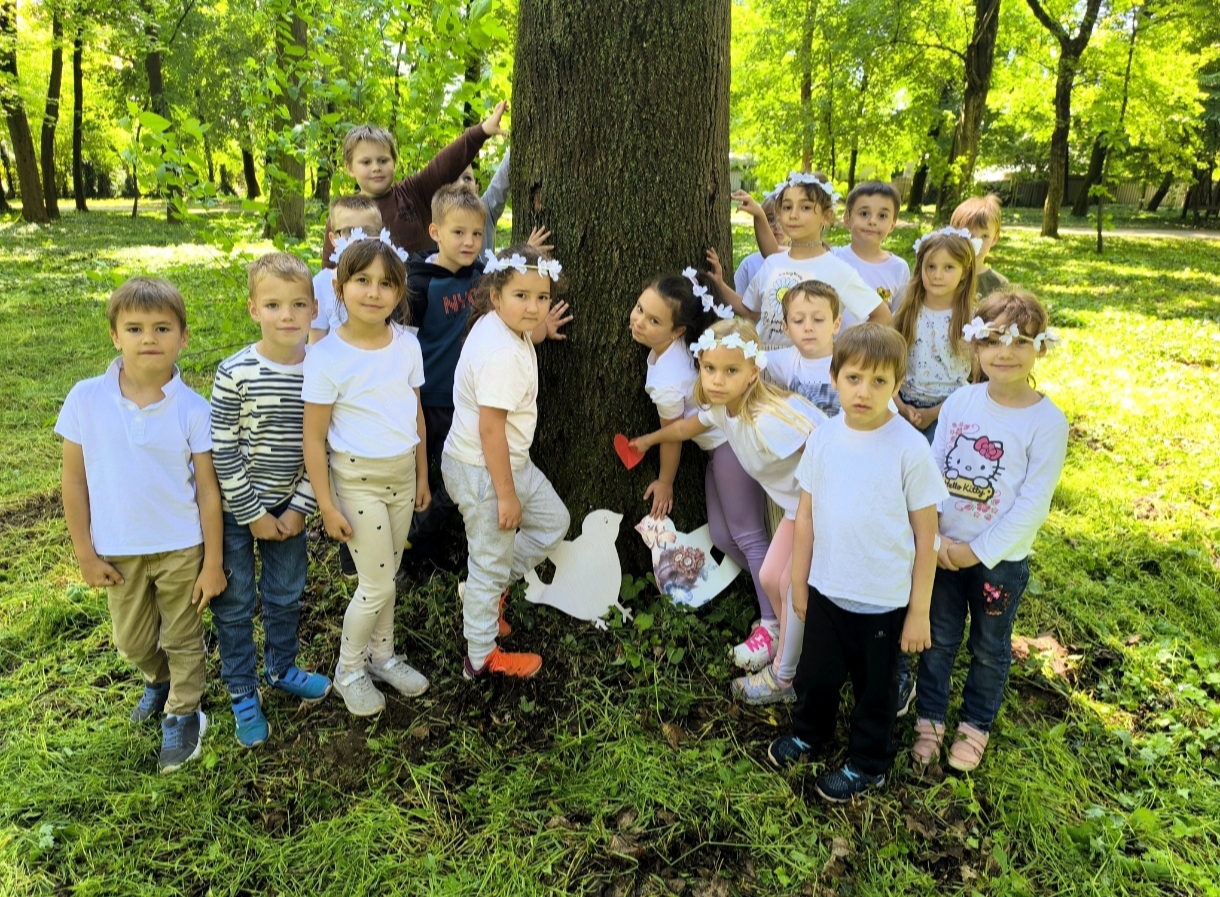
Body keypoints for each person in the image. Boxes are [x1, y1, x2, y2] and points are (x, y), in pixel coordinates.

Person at [766, 324, 948, 803]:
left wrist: (919, 611)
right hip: (827, 588)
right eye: (853, 378)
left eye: (879, 381)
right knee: (816, 676)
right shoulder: (824, 438)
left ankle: (869, 763)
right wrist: (800, 582)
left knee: (875, 691)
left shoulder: (910, 448)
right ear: (834, 377)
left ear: (897, 384)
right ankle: (809, 733)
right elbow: (805, 516)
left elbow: (927, 536)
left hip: (882, 600)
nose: (864, 392)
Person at [57, 277, 226, 773]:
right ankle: (159, 680)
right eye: (134, 328)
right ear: (115, 336)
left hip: (181, 547)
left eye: (162, 328)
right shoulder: (85, 399)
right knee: (130, 640)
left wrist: (212, 562)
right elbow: (74, 482)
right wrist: (85, 553)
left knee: (183, 636)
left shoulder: (194, 409)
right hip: (118, 549)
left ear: (183, 337)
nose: (148, 338)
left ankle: (184, 713)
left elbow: (208, 491)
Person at [629, 319, 824, 703]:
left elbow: (823, 452)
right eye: (709, 368)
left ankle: (784, 678)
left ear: (753, 372)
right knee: (770, 577)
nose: (717, 380)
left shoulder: (767, 420)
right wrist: (649, 440)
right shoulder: (724, 411)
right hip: (795, 510)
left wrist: (824, 510)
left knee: (788, 585)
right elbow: (684, 429)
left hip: (819, 509)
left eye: (730, 371)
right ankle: (790, 643)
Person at [914, 288, 1067, 772]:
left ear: (1040, 349)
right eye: (995, 340)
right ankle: (929, 719)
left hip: (998, 563)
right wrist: (937, 539)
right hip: (943, 553)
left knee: (988, 647)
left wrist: (975, 552)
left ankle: (975, 724)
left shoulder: (1047, 422)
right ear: (975, 344)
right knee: (938, 638)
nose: (1006, 352)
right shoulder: (960, 402)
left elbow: (1031, 506)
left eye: (1021, 342)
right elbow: (932, 471)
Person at [302, 238, 432, 717]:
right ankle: (349, 669)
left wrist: (422, 476)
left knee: (386, 577)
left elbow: (416, 415)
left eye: (386, 283)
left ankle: (382, 657)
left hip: (402, 475)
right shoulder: (326, 356)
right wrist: (326, 505)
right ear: (340, 287)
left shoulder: (407, 345)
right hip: (357, 482)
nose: (374, 292)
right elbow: (313, 438)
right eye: (362, 280)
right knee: (375, 585)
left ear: (399, 292)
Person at [209, 253, 333, 748]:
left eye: (298, 304)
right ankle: (242, 690)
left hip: (290, 509)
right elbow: (222, 451)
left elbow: (324, 445)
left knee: (285, 594)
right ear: (253, 309)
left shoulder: (322, 370)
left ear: (314, 309)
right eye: (274, 305)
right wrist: (253, 514)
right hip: (236, 512)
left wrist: (301, 507)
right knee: (235, 602)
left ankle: (281, 668)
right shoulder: (234, 372)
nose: (287, 315)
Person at [406, 186, 572, 554]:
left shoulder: (482, 272)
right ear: (435, 232)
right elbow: (403, 343)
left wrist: (526, 258)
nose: (469, 242)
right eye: (458, 232)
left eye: (477, 234)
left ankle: (436, 541)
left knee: (455, 483)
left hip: (470, 398)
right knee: (426, 474)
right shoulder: (419, 283)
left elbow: (511, 288)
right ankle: (410, 540)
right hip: (429, 396)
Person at [629, 270, 773, 669]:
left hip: (731, 446)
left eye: (653, 320)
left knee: (748, 536)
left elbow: (673, 435)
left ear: (678, 331)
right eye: (639, 309)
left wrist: (665, 481)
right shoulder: (676, 349)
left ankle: (774, 623)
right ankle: (779, 590)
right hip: (717, 448)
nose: (639, 321)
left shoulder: (667, 380)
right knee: (724, 537)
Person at [442, 244, 570, 679]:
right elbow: (490, 429)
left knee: (553, 522)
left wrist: (540, 329)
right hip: (484, 470)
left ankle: (485, 588)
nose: (533, 307)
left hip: (507, 463)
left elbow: (527, 328)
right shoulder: (501, 356)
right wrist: (505, 495)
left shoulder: (504, 327)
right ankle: (480, 658)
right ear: (496, 296)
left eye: (542, 297)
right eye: (522, 296)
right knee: (489, 562)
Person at [715, 173, 891, 350]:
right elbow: (750, 311)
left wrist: (841, 349)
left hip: (810, 366)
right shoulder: (772, 263)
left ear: (826, 216)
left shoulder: (837, 270)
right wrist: (718, 284)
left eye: (805, 207)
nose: (793, 215)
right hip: (764, 363)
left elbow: (882, 316)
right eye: (787, 207)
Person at [319, 101, 508, 263]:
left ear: (394, 162)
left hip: (423, 292)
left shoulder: (413, 193)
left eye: (383, 160)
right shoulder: (343, 214)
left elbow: (445, 164)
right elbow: (328, 271)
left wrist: (482, 131)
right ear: (350, 168)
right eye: (366, 162)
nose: (376, 167)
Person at [892, 228, 980, 443]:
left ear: (965, 272)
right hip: (902, 405)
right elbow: (888, 361)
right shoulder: (907, 311)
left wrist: (933, 413)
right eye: (930, 266)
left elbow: (979, 378)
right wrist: (900, 406)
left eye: (948, 267)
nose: (937, 275)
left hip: (950, 409)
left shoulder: (971, 319)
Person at [310, 195, 384, 344]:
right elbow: (315, 342)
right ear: (333, 239)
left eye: (368, 231)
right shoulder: (321, 283)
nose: (358, 239)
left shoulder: (389, 279)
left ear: (381, 235)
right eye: (348, 232)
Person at [831, 181, 910, 319]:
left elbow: (898, 318)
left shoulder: (898, 268)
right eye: (864, 213)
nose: (872, 221)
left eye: (882, 216)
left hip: (877, 334)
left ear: (892, 224)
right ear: (847, 218)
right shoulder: (833, 257)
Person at [763, 280, 843, 417]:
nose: (808, 327)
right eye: (798, 320)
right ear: (786, 328)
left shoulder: (850, 361)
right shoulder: (788, 359)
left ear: (836, 324)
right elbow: (745, 357)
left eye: (818, 319)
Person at [951, 195, 1008, 299]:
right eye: (969, 235)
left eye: (985, 236)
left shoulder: (998, 284)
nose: (976, 242)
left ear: (994, 238)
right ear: (953, 234)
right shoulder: (942, 274)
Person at [732, 190, 788, 295]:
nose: (777, 226)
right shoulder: (749, 264)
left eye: (783, 220)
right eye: (770, 220)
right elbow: (737, 298)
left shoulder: (802, 259)